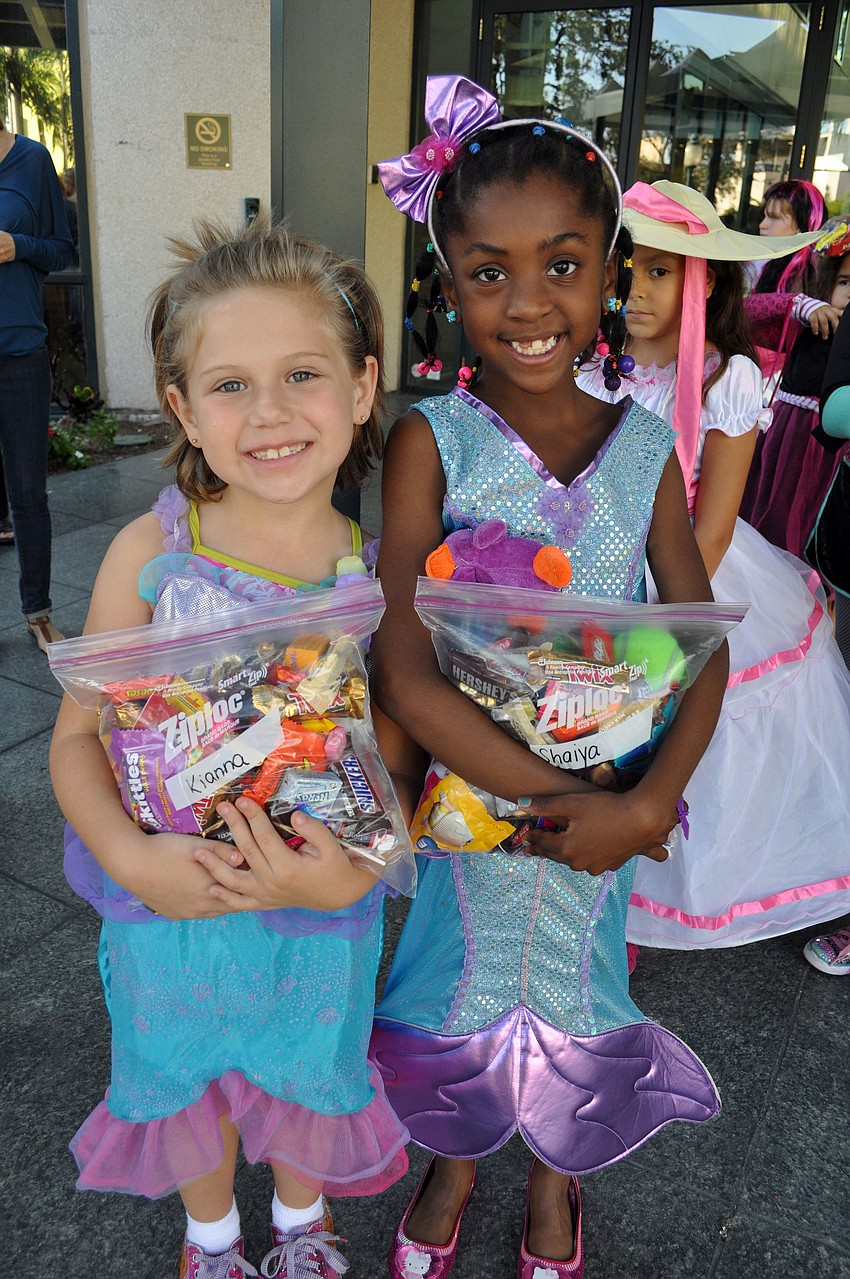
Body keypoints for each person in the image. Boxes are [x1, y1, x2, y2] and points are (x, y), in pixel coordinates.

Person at [369, 75, 729, 1279]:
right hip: (471, 815)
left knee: (578, 991)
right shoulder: (430, 437)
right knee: (451, 981)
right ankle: (455, 1158)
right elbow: (405, 662)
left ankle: (555, 1185)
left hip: (602, 819)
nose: (526, 304)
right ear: (451, 281)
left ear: (611, 268)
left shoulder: (645, 450)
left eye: (562, 265)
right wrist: (532, 800)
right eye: (487, 272)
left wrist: (636, 806)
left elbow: (699, 639)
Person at [49, 216, 417, 1279]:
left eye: (301, 374)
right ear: (182, 411)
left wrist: (352, 867)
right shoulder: (149, 555)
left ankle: (302, 1223)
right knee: (184, 1061)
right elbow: (78, 732)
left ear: (360, 386)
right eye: (228, 386)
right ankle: (210, 1238)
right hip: (176, 901)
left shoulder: (377, 567)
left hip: (317, 897)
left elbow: (396, 761)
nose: (268, 414)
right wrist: (129, 857)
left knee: (308, 1058)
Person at [577, 180, 850, 953]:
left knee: (673, 746)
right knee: (588, 740)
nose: (635, 288)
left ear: (705, 281)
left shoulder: (724, 378)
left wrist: (660, 631)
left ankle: (650, 898)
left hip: (687, 580)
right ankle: (602, 887)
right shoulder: (596, 369)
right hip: (591, 576)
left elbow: (717, 525)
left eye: (660, 271)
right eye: (628, 266)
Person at [0, 115, 74, 649]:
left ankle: (38, 609)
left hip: (17, 347)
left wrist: (17, 245)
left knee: (28, 490)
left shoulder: (31, 161)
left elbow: (61, 249)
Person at [741, 217, 850, 559]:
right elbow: (746, 317)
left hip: (829, 457)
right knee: (770, 528)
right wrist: (797, 305)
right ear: (828, 282)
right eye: (845, 281)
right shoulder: (815, 322)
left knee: (816, 535)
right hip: (786, 443)